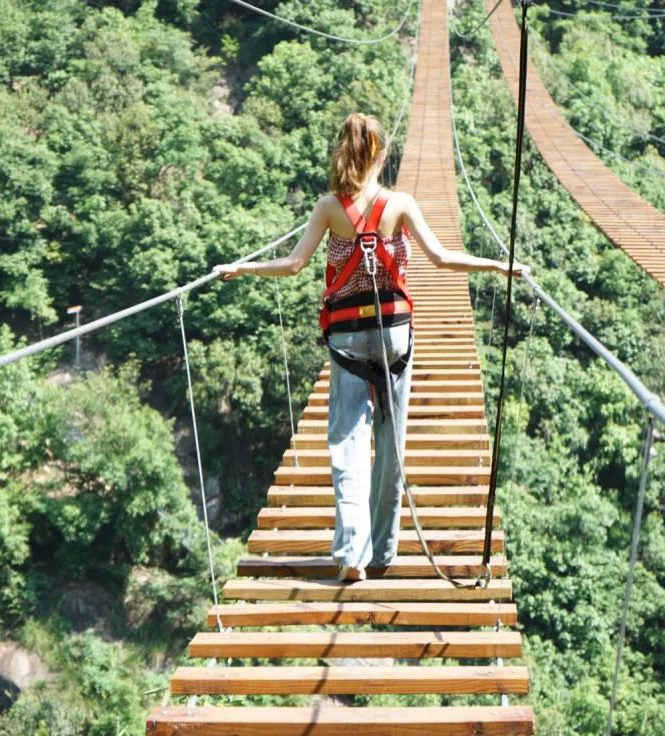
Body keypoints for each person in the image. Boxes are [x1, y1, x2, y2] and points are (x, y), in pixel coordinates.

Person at [214, 112, 527, 583]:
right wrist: (497, 266)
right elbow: (440, 258)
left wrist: (243, 267)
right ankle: (382, 552)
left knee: (348, 443)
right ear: (381, 153)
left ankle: (352, 556)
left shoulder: (328, 207)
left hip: (346, 337)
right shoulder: (399, 202)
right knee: (391, 442)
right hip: (394, 334)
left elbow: (295, 264)